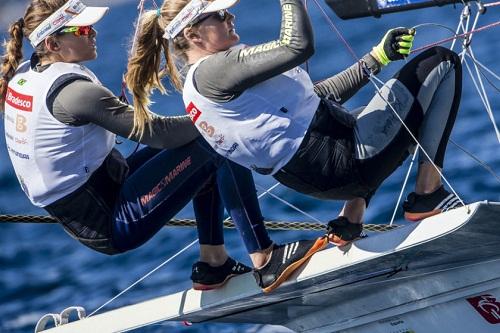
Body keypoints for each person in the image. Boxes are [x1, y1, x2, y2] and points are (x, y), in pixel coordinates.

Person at [1, 0, 327, 294]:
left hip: (101, 190)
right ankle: (265, 259)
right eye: (82, 29)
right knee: (216, 139)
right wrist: (218, 115)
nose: (93, 32)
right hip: (109, 220)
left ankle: (214, 264)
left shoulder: (29, 71)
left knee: (207, 141)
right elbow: (159, 134)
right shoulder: (74, 93)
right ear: (52, 43)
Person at [128, 0, 463, 248]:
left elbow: (316, 100)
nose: (230, 16)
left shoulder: (205, 82)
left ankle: (350, 220)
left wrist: (376, 58)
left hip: (320, 171)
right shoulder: (215, 71)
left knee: (387, 110)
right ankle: (427, 197)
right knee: (441, 63)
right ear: (193, 34)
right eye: (220, 14)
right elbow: (297, 45)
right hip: (341, 161)